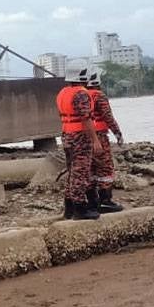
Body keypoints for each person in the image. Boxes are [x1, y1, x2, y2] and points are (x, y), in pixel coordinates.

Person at [55, 68, 101, 220]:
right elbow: (86, 118)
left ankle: (69, 209)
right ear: (84, 78)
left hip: (66, 135)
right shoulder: (81, 94)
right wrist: (95, 140)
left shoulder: (62, 92)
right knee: (80, 173)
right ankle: (80, 209)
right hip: (80, 137)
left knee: (72, 172)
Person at [86, 72, 124, 214]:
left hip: (83, 137)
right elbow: (108, 116)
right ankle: (105, 200)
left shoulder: (82, 96)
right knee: (106, 168)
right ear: (98, 83)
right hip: (100, 136)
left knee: (90, 169)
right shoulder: (99, 96)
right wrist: (117, 133)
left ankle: (92, 201)